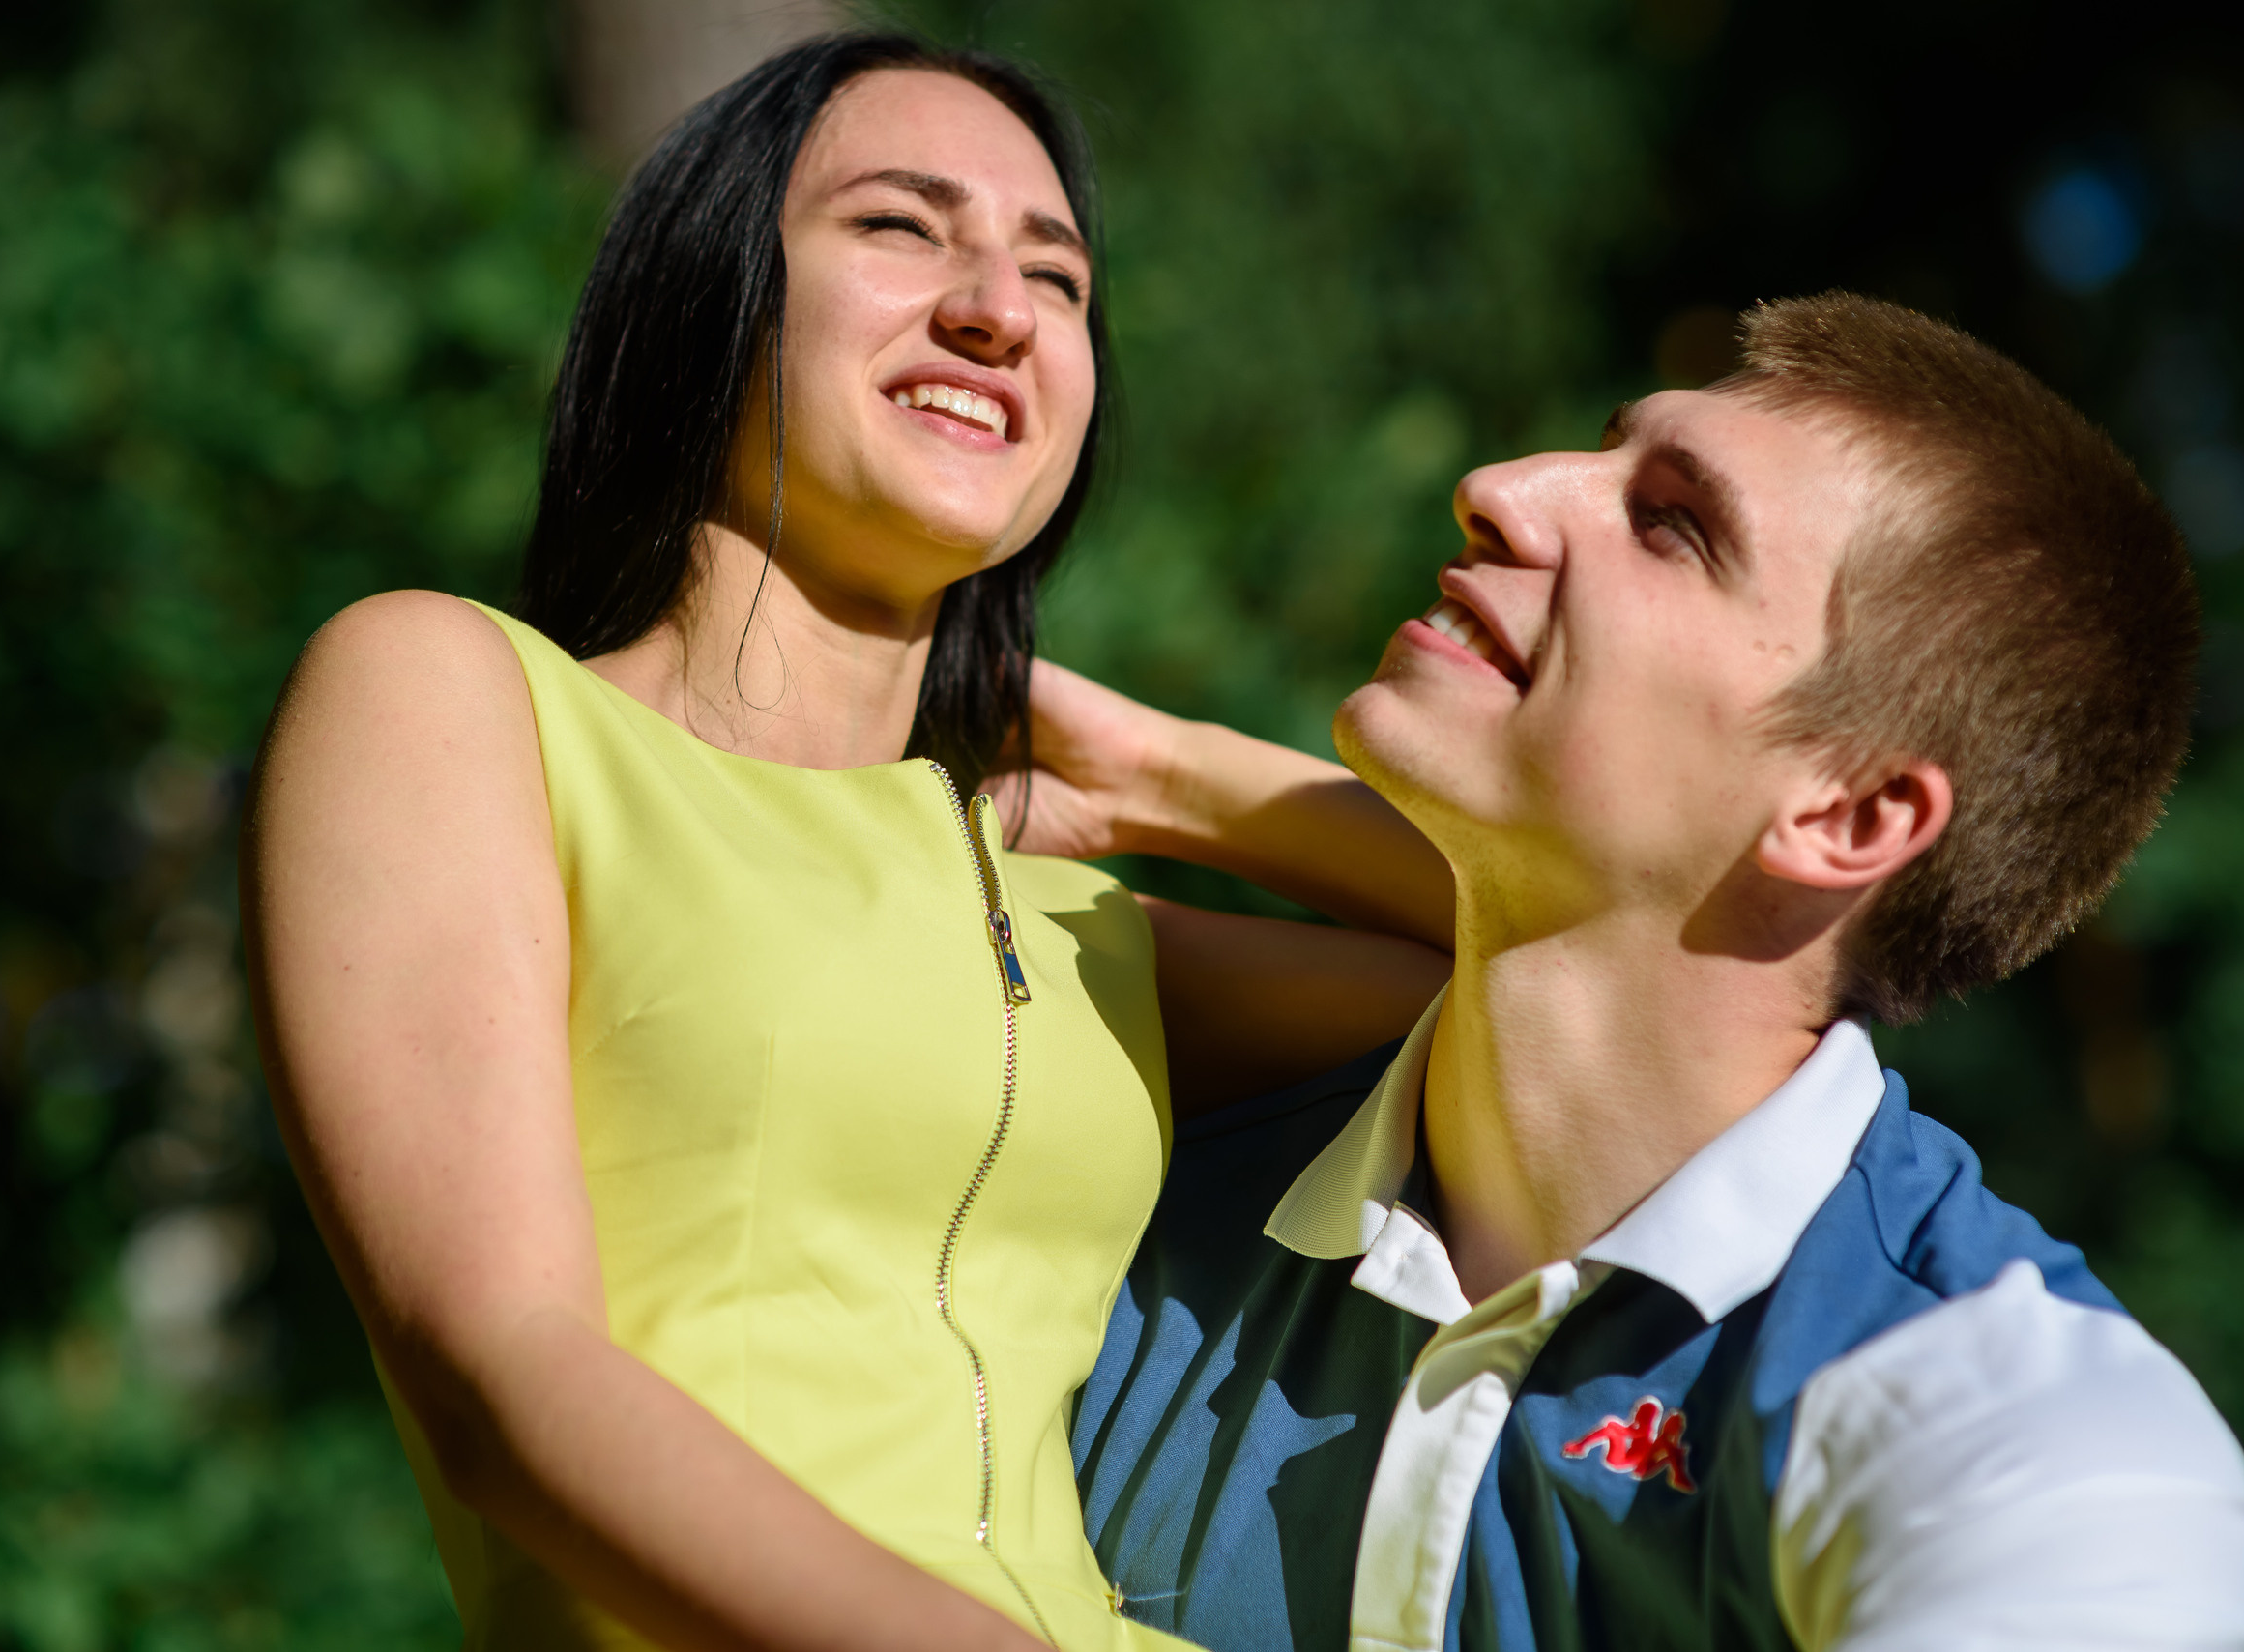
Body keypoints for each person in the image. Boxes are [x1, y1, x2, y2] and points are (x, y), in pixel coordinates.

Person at [241, 33, 1445, 1652]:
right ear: (712, 292)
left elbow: (1578, 962)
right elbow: (502, 1367)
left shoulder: (1052, 920)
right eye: (899, 226)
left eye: (1059, 278)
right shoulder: (458, 704)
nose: (997, 308)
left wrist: (1172, 775)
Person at [1026, 295, 2244, 1648]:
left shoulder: (2024, 1440)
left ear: (1849, 815)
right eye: (1604, 455)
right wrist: (1148, 776)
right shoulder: (1123, 1126)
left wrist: (1170, 779)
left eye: (1674, 522)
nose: (1499, 490)